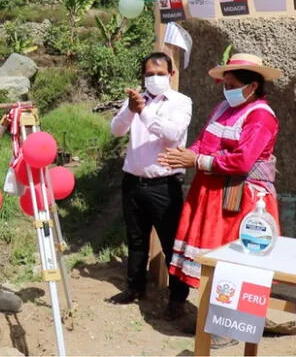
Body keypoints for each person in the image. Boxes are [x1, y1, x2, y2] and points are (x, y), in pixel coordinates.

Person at [160, 53, 281, 348]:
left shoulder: (261, 116)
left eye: (232, 84)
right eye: (225, 83)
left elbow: (242, 161)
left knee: (236, 260)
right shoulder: (223, 108)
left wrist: (197, 160)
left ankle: (231, 328)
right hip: (213, 194)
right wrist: (187, 155)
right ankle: (216, 320)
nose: (226, 88)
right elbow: (205, 141)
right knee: (215, 261)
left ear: (252, 86)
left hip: (241, 199)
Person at [107, 52, 193, 320]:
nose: (154, 78)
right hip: (133, 181)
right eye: (148, 74)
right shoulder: (135, 101)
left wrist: (143, 112)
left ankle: (177, 300)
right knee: (135, 240)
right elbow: (116, 130)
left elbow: (172, 134)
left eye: (159, 73)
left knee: (171, 245)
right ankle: (135, 288)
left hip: (164, 185)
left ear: (171, 74)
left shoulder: (181, 102)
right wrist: (131, 111)